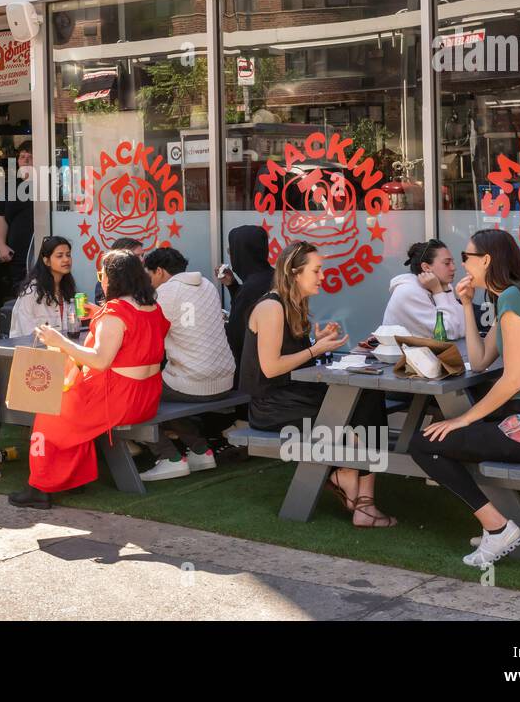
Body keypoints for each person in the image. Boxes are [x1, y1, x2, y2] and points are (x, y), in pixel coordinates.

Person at [410, 228, 520, 568]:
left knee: (423, 443)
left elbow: (513, 380)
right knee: (445, 435)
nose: (462, 263)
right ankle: (494, 525)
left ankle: (497, 528)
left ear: (486, 259)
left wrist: (463, 418)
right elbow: (481, 360)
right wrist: (466, 305)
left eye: (466, 257)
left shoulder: (512, 298)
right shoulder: (517, 295)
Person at [242, 241, 396, 528]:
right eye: (317, 270)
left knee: (368, 398)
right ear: (294, 273)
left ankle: (360, 494)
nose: (322, 276)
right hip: (273, 406)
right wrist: (315, 349)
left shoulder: (292, 305)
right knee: (353, 419)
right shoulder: (271, 308)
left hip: (296, 395)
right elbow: (271, 367)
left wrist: (317, 342)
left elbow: (289, 356)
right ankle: (356, 491)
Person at [10, 249, 169, 509]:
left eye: (102, 275)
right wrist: (100, 314)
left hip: (119, 399)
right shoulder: (152, 306)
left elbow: (99, 360)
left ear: (113, 278)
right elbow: (138, 339)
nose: (101, 280)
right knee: (72, 404)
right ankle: (74, 479)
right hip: (146, 396)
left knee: (50, 412)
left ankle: (40, 486)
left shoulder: (115, 313)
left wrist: (59, 341)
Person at [138, 246, 235, 481]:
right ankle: (201, 451)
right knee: (166, 384)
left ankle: (169, 457)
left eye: (148, 275)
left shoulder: (165, 294)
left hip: (194, 383)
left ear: (159, 271)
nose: (148, 282)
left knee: (139, 392)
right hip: (225, 379)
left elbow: (144, 335)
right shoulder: (209, 286)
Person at [381, 238, 466, 340]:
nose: (453, 268)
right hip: (399, 355)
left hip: (425, 354)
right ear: (426, 267)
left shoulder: (442, 286)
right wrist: (438, 292)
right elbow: (448, 333)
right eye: (447, 263)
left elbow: (465, 327)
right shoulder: (408, 292)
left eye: (453, 262)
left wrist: (443, 291)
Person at [218, 225, 273, 365]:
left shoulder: (250, 288)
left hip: (255, 371)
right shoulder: (275, 276)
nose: (230, 255)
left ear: (240, 253)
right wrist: (233, 285)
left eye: (231, 251)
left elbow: (236, 336)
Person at [8, 236, 76, 337]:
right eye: (59, 256)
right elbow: (26, 332)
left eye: (68, 255)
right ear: (46, 261)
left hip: (62, 349)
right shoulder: (31, 292)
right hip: (35, 350)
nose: (66, 259)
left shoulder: (67, 287)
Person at [0, 140, 34, 297]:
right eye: (22, 156)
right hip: (16, 254)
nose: (25, 160)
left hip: (44, 253)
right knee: (20, 295)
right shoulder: (10, 186)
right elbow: (0, 215)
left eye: (30, 156)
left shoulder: (50, 184)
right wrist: (0, 244)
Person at [93, 237, 144, 305]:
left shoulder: (145, 278)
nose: (142, 260)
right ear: (120, 258)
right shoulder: (105, 281)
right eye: (136, 256)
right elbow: (104, 310)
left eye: (142, 255)